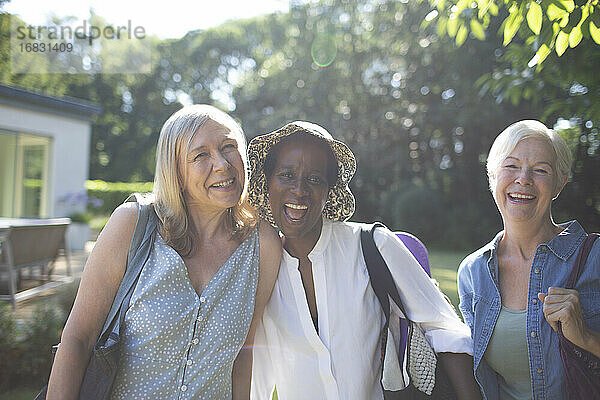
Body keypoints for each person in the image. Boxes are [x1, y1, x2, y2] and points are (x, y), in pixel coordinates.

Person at [46, 104, 281, 400]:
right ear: (176, 173)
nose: (222, 164)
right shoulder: (133, 223)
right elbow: (78, 338)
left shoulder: (263, 244)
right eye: (200, 155)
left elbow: (242, 357)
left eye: (229, 147)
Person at [248, 121, 481, 400]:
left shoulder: (372, 245)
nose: (299, 190)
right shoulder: (259, 268)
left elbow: (444, 327)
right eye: (286, 175)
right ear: (268, 181)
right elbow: (255, 370)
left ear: (329, 191)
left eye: (314, 179)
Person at [457, 120, 600, 399]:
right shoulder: (473, 273)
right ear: (493, 176)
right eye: (511, 166)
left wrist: (586, 338)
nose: (523, 179)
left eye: (540, 170)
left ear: (559, 183)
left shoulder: (595, 257)